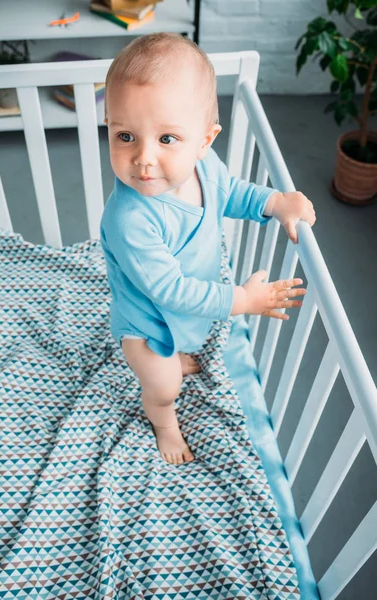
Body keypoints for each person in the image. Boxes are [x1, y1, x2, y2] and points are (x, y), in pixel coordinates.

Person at [100, 33, 316, 466]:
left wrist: (274, 202)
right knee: (164, 386)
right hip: (148, 325)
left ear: (204, 140)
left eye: (166, 139)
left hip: (187, 313)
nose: (143, 158)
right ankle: (163, 423)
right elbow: (172, 291)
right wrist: (242, 300)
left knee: (181, 352)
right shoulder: (130, 219)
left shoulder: (204, 168)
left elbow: (232, 192)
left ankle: (179, 356)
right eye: (125, 136)